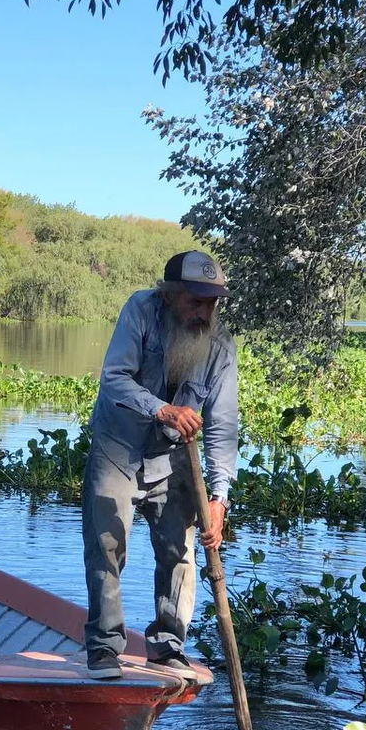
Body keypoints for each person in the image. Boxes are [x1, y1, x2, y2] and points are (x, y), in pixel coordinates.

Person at [82, 250, 238, 681]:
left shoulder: (221, 344)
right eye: (195, 301)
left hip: (174, 455)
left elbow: (223, 427)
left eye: (211, 303)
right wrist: (163, 410)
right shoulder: (140, 310)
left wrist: (220, 496)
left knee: (179, 550)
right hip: (119, 443)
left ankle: (167, 644)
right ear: (169, 296)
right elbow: (114, 378)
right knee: (107, 543)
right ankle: (104, 647)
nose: (204, 312)